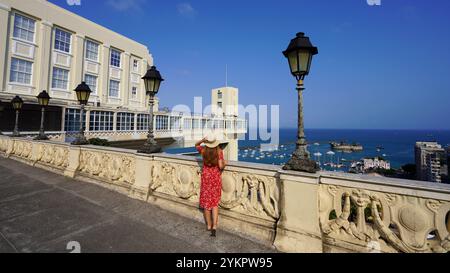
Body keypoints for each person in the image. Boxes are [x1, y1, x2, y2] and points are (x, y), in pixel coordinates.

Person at [195, 133, 226, 237]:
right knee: (214, 203)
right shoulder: (219, 151)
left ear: (207, 142)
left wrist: (202, 140)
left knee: (207, 204)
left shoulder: (203, 150)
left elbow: (196, 145)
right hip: (215, 178)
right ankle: (214, 226)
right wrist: (225, 163)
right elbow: (221, 166)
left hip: (206, 178)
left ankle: (208, 225)